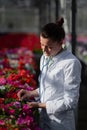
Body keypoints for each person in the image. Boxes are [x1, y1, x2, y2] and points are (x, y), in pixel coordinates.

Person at [17, 17, 82, 130]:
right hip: (44, 119)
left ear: (61, 42)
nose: (44, 50)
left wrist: (39, 105)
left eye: (49, 47)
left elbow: (70, 102)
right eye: (42, 45)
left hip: (60, 123)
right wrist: (30, 93)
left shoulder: (71, 63)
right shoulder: (45, 57)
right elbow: (47, 89)